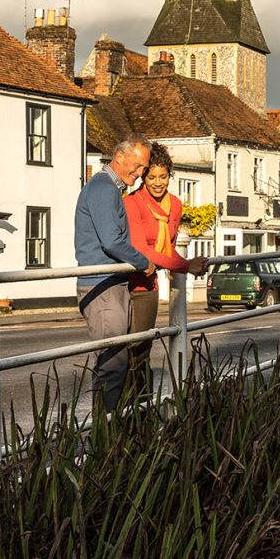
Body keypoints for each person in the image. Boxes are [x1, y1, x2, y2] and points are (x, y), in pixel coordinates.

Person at [123, 142, 209, 403]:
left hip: (148, 286)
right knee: (126, 353)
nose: (158, 183)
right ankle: (122, 413)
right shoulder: (132, 203)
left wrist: (186, 262)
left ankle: (142, 409)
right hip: (125, 285)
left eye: (163, 176)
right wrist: (185, 266)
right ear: (143, 177)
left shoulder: (175, 205)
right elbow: (141, 250)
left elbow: (169, 249)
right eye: (151, 177)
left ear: (170, 175)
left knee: (142, 350)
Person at [74, 135, 154, 413]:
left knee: (117, 361)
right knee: (112, 364)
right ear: (120, 157)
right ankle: (103, 440)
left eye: (144, 168)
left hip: (110, 284)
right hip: (103, 287)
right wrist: (143, 262)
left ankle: (111, 434)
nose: (141, 173)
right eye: (139, 165)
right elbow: (111, 241)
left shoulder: (107, 188)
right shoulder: (104, 189)